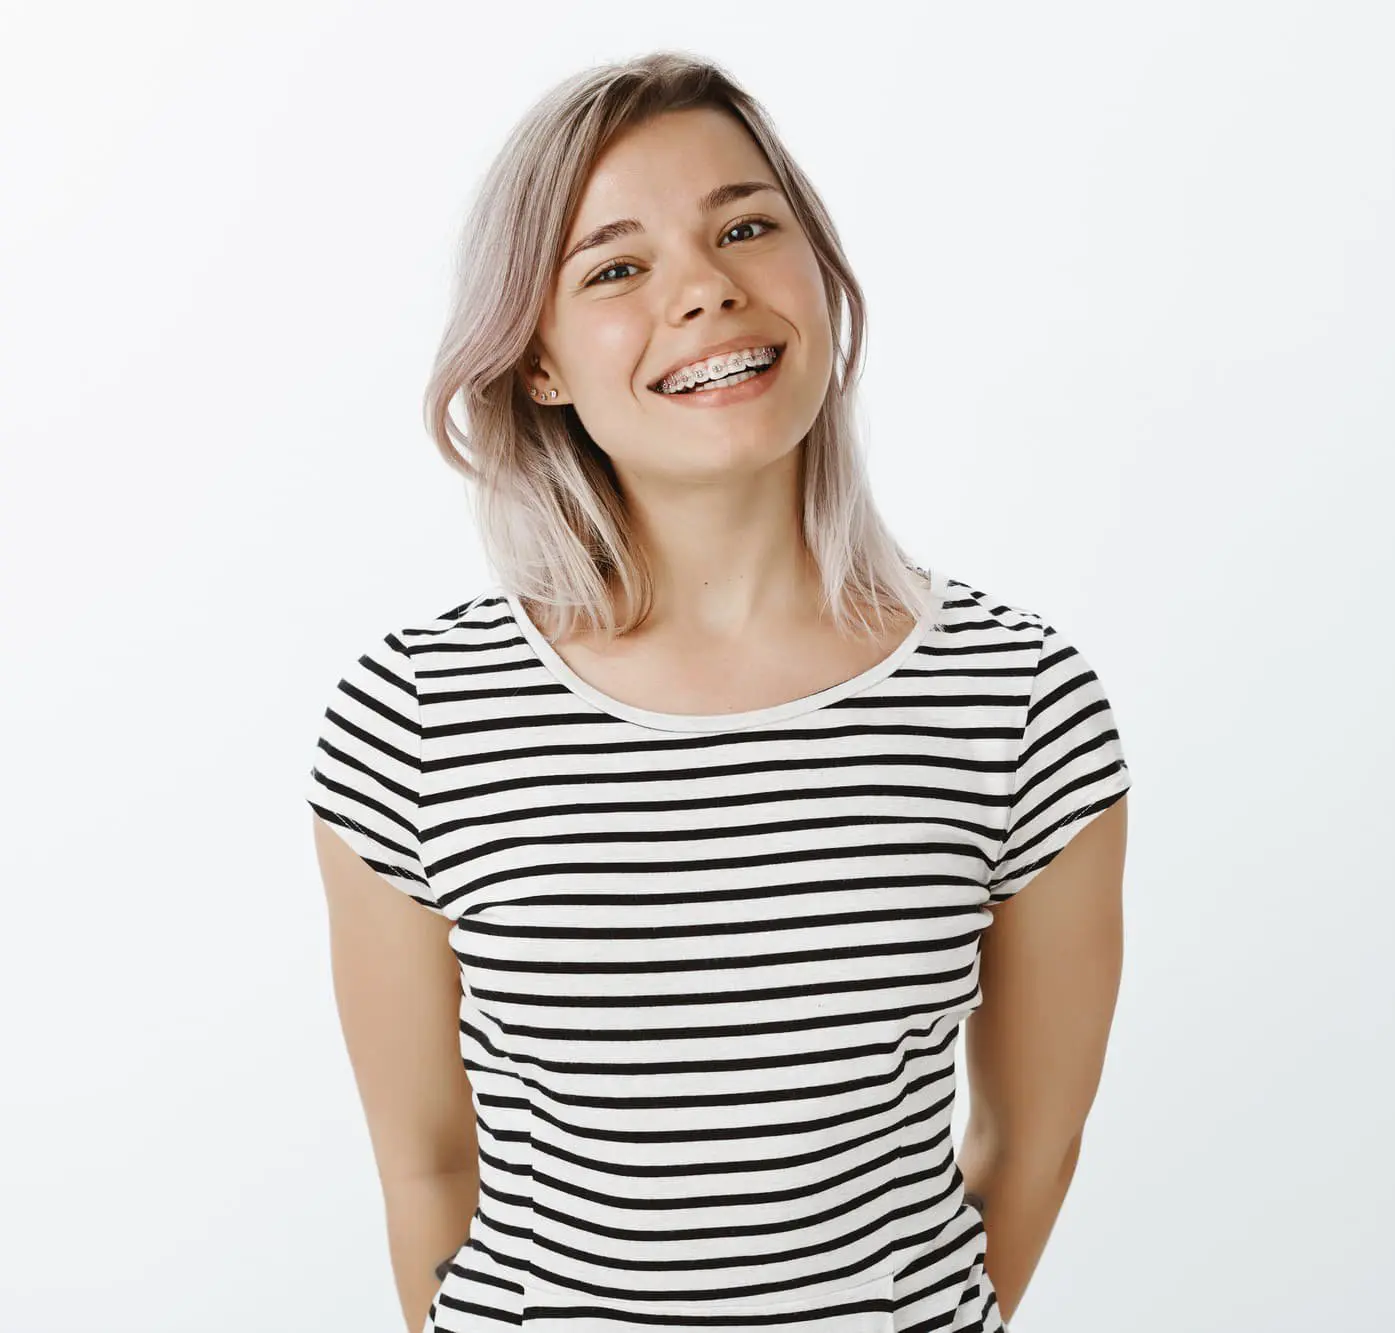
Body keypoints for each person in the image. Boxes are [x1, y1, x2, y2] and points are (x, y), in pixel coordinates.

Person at [305, 51, 1131, 1333]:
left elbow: (1029, 1143)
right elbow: (426, 1167)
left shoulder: (1018, 698)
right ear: (539, 364)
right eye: (617, 268)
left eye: (747, 226)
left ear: (820, 276)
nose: (706, 291)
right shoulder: (416, 715)